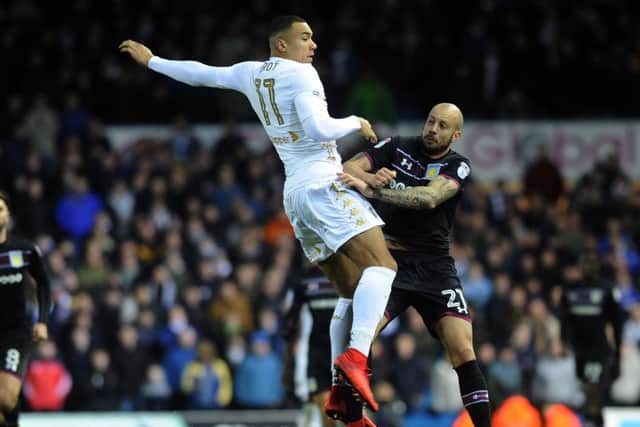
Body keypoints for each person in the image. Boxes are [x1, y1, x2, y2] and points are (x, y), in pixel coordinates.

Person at [120, 15, 398, 414]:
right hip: (324, 183)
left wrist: (153, 62)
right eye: (305, 38)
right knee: (384, 267)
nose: (313, 45)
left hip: (295, 195)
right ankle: (355, 358)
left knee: (350, 291)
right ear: (281, 45)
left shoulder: (252, 73)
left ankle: (340, 389)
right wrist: (357, 121)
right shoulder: (303, 75)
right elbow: (319, 128)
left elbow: (203, 74)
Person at [340, 103, 492, 427]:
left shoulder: (457, 165)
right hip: (389, 261)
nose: (433, 129)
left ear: (456, 134)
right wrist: (371, 175)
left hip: (436, 268)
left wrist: (375, 189)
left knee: (463, 350)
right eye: (431, 121)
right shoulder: (396, 147)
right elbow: (349, 167)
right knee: (358, 337)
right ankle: (353, 420)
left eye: (442, 126)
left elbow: (429, 199)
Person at [282, 265, 374, 427]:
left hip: (346, 352)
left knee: (354, 411)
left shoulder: (350, 276)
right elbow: (290, 322)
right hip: (318, 353)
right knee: (326, 408)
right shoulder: (304, 280)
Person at [0, 191, 51, 427]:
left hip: (14, 334)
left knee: (6, 398)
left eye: (0, 208)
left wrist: (42, 321)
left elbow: (43, 282)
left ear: (8, 215)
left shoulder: (24, 250)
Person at [559, 252, 624, 427]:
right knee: (583, 388)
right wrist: (563, 342)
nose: (588, 268)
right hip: (578, 349)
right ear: (580, 268)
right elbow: (564, 320)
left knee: (594, 388)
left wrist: (617, 354)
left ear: (597, 268)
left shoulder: (607, 290)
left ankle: (593, 421)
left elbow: (617, 323)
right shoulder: (570, 290)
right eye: (585, 265)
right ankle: (590, 419)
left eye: (591, 264)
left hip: (598, 349)